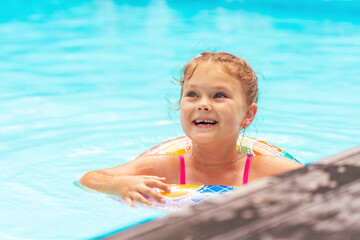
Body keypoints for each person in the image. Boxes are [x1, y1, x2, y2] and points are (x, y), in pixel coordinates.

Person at [79, 51, 303, 208]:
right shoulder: (163, 168)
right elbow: (88, 178)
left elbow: (324, 184)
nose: (203, 104)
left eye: (219, 95)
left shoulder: (264, 170)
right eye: (192, 94)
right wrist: (119, 184)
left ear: (247, 115)